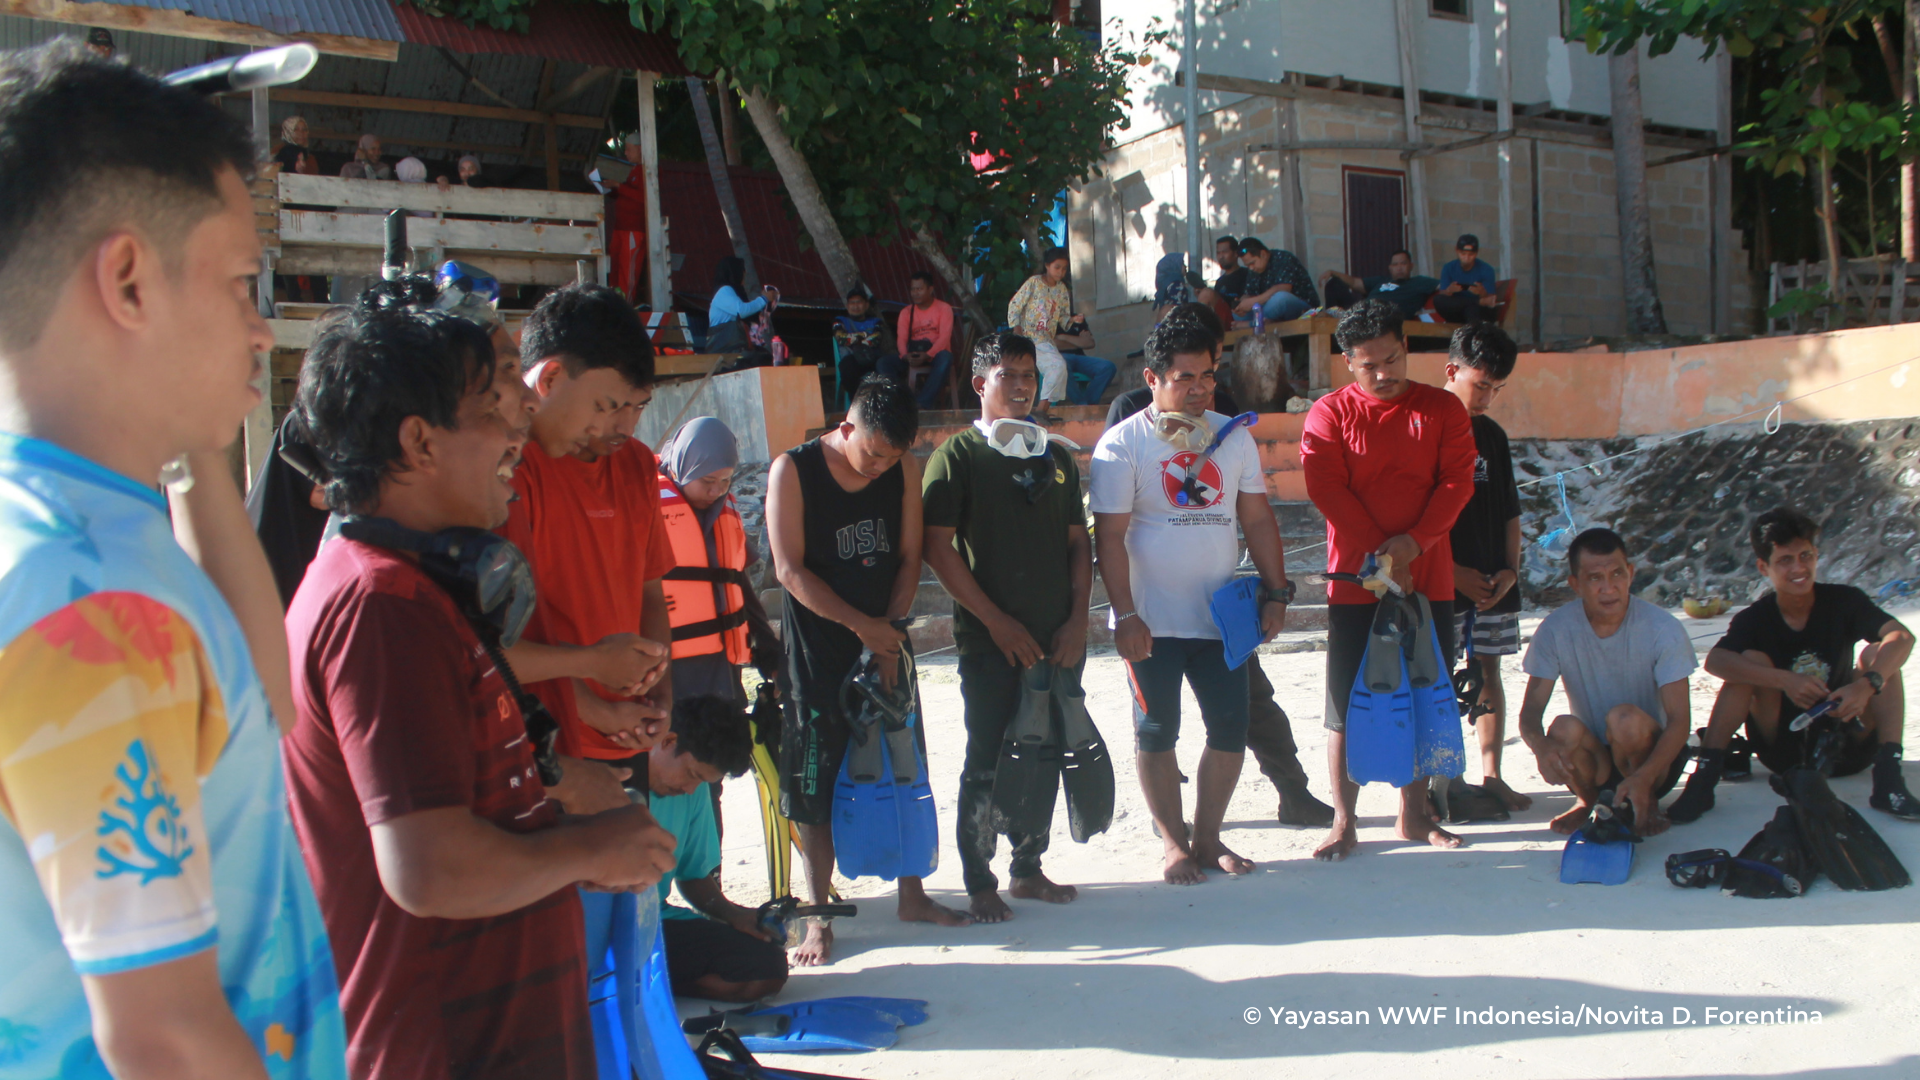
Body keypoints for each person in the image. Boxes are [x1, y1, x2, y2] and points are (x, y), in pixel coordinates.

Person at [0, 42, 348, 1079]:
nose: (262, 325)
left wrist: (186, 422)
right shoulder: (92, 602)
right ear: (127, 279)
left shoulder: (80, 532)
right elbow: (164, 1039)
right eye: (243, 282)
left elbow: (259, 701)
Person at [283, 302, 678, 1079]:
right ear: (418, 442)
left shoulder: (417, 594)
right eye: (494, 403)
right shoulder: (382, 608)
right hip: (444, 1048)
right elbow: (427, 868)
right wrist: (586, 848)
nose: (523, 418)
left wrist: (549, 794)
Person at [767, 376, 970, 965]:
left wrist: (889, 628)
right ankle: (818, 919)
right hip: (817, 657)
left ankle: (913, 895)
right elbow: (788, 570)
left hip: (886, 644)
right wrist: (863, 628)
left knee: (904, 767)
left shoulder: (902, 471)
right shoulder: (794, 470)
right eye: (873, 453)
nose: (881, 466)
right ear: (847, 426)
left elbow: (909, 558)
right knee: (814, 788)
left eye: (894, 456)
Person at [1104, 304, 1333, 827]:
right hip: (1152, 618)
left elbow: (1256, 519)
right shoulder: (1126, 431)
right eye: (1186, 377)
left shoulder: (1232, 432)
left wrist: (1278, 594)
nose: (1201, 387)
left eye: (1209, 373)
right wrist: (1126, 613)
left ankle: (1251, 812)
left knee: (1240, 718)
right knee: (1158, 729)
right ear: (1154, 377)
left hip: (1219, 616)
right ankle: (1172, 835)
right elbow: (1110, 534)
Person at [922, 332, 1091, 922]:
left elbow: (1080, 546)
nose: (1021, 387)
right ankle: (979, 879)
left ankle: (1028, 868)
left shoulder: (1059, 458)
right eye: (1007, 376)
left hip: (1057, 639)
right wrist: (994, 623)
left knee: (1043, 752)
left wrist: (1077, 621)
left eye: (1029, 376)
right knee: (989, 757)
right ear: (980, 384)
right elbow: (937, 551)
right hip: (990, 643)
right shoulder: (957, 458)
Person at [1301, 299, 1476, 861]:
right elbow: (1326, 488)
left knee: (1425, 691)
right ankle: (1344, 820)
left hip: (1430, 578)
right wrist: (1382, 548)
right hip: (1357, 581)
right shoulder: (1328, 414)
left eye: (1393, 358)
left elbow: (1456, 484)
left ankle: (1413, 813)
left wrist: (1414, 542)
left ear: (1407, 348)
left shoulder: (1445, 410)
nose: (1384, 373)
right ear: (1348, 363)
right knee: (1347, 700)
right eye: (1369, 364)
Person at [1670, 508, 1919, 823]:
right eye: (1785, 560)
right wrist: (1783, 681)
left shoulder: (1844, 601)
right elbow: (1717, 661)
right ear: (1764, 567)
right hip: (1782, 750)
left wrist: (1864, 686)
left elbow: (1902, 637)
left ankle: (1889, 778)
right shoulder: (1755, 618)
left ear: (1816, 555)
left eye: (1806, 556)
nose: (1799, 568)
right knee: (1748, 662)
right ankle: (1704, 779)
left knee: (1878, 655)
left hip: (1849, 742)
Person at [1516, 529, 1696, 836]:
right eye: (1595, 578)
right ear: (1576, 584)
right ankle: (1587, 800)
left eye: (1617, 574)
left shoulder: (1662, 628)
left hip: (1652, 759)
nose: (1609, 587)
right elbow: (1531, 710)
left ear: (1630, 573)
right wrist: (1540, 746)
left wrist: (1646, 777)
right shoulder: (1556, 629)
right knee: (1562, 727)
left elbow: (1680, 721)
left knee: (1624, 718)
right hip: (1595, 758)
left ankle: (1646, 799)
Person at [1442, 323, 1531, 812]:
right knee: (1438, 679)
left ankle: (1492, 774)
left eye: (1497, 389)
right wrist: (1451, 572)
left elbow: (1511, 511)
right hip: (1443, 581)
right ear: (1451, 370)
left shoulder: (1492, 435)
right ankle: (1444, 783)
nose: (1488, 398)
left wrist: (1511, 572)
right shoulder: (1426, 425)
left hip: (1494, 582)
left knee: (1489, 672)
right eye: (1481, 386)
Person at [649, 696, 788, 1002]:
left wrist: (732, 914)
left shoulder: (693, 792)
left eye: (703, 782)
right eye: (692, 775)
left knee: (766, 968)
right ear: (668, 741)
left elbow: (693, 876)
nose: (690, 789)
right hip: (589, 930)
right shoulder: (607, 779)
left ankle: (652, 987)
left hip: (651, 925)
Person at [1009, 248, 1113, 406]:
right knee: (1057, 366)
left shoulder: (1062, 290)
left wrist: (1073, 320)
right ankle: (1042, 408)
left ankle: (1047, 408)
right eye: (1057, 267)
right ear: (1047, 266)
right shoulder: (1034, 283)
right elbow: (1014, 306)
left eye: (1064, 268)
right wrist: (1016, 328)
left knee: (1058, 367)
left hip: (1046, 341)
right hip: (1029, 338)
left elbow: (1062, 319)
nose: (1060, 272)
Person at [883, 270, 957, 408]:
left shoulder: (944, 309)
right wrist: (905, 355)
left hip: (936, 353)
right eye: (913, 289)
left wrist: (928, 355)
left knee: (946, 358)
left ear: (930, 289)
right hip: (914, 353)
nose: (915, 293)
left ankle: (921, 403)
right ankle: (899, 400)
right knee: (884, 363)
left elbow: (945, 338)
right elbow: (901, 338)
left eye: (920, 289)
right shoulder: (906, 312)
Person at [1320, 249, 1440, 316]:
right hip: (1363, 309)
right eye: (1395, 264)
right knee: (1335, 283)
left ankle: (1340, 315)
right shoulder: (1381, 281)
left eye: (1403, 264)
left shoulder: (1419, 282)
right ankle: (1334, 317)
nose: (1399, 268)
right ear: (1390, 268)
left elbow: (1443, 286)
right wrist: (1333, 272)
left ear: (1411, 266)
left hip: (1383, 316)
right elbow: (1355, 282)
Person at [1234, 237, 1318, 325]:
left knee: (1280, 298)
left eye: (1252, 263)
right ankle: (1262, 322)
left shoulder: (1283, 258)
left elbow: (1283, 288)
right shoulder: (1254, 270)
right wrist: (1242, 305)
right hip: (1269, 309)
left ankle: (1253, 324)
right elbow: (1249, 293)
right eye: (1248, 265)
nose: (1251, 268)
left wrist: (1254, 302)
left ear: (1263, 254)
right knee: (1238, 315)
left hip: (1304, 308)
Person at [707, 254, 779, 356]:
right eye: (742, 271)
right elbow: (741, 311)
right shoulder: (724, 291)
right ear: (735, 272)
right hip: (725, 349)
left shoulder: (731, 292)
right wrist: (764, 299)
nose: (744, 274)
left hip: (731, 346)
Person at [834, 287, 894, 393]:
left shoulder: (876, 322)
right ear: (847, 306)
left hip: (871, 358)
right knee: (848, 367)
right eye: (852, 303)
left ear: (866, 305)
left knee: (885, 364)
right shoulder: (840, 321)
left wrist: (853, 338)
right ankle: (856, 403)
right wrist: (865, 336)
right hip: (852, 359)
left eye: (859, 302)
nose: (856, 306)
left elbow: (876, 338)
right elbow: (841, 338)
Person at [1434, 233, 1499, 325]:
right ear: (1456, 251)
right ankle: (1476, 302)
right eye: (1463, 254)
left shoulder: (1486, 270)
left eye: (1471, 254)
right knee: (1438, 299)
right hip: (1457, 311)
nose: (1466, 258)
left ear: (1476, 253)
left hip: (1478, 313)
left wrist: (1482, 292)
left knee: (1472, 309)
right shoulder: (1448, 268)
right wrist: (1449, 291)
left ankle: (1475, 304)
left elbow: (1490, 301)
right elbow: (1443, 295)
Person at [1213, 234, 1249, 310]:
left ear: (1236, 253)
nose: (1221, 256)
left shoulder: (1247, 275)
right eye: (1218, 253)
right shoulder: (1219, 282)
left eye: (1225, 252)